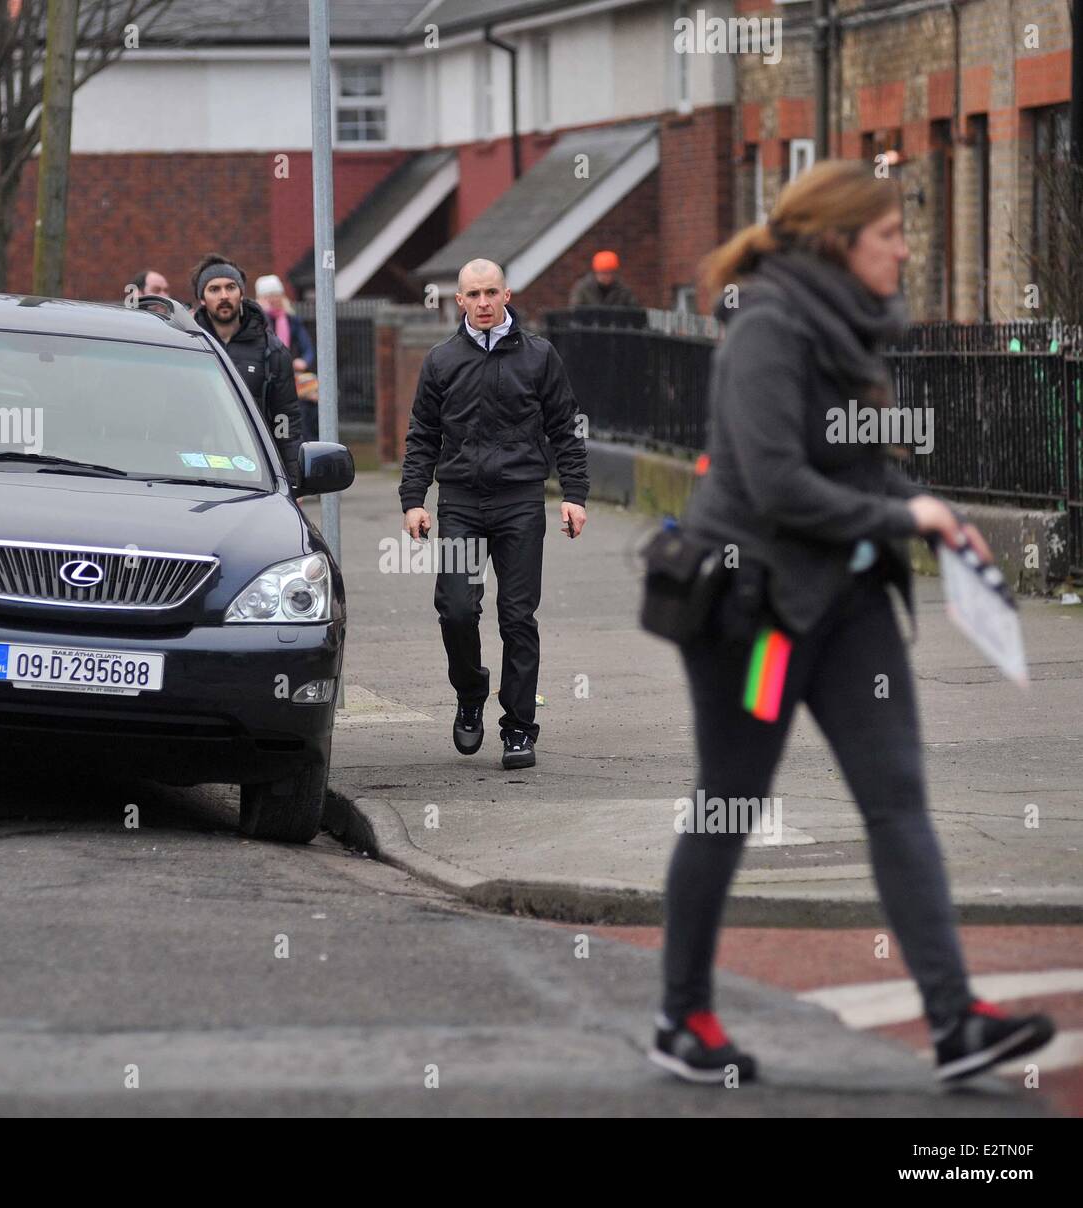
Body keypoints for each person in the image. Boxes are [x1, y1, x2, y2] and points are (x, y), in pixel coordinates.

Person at [649, 160, 1055, 1085]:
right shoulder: (766, 324)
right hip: (757, 615)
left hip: (849, 603)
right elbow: (775, 481)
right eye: (891, 235)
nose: (906, 249)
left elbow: (863, 471)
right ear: (839, 241)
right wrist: (903, 519)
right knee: (728, 803)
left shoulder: (849, 325)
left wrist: (938, 517)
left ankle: (956, 1024)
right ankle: (681, 1018)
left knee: (897, 801)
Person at [400, 258, 589, 770]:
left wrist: (574, 494)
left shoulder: (539, 357)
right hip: (460, 502)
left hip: (520, 501)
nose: (483, 303)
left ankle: (519, 728)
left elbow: (566, 429)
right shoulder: (441, 361)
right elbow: (422, 435)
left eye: (491, 293)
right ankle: (470, 693)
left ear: (507, 295)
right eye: (473, 295)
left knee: (517, 617)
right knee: (457, 609)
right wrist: (414, 500)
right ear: (457, 302)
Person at [189, 253, 301, 480]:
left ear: (241, 293)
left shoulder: (271, 350)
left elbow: (286, 419)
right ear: (202, 298)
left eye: (230, 287)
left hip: (254, 474)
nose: (223, 296)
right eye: (214, 289)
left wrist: (294, 480)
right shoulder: (187, 346)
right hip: (195, 470)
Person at [255, 274, 319, 442]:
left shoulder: (291, 320)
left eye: (276, 295)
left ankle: (306, 440)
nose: (273, 299)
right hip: (267, 374)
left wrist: (303, 361)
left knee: (311, 398)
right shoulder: (257, 321)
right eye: (268, 296)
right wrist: (263, 313)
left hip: (289, 373)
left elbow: (308, 348)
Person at [568, 250, 639, 308]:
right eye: (603, 273)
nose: (606, 276)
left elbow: (634, 310)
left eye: (610, 273)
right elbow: (575, 310)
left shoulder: (623, 290)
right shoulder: (583, 288)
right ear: (595, 272)